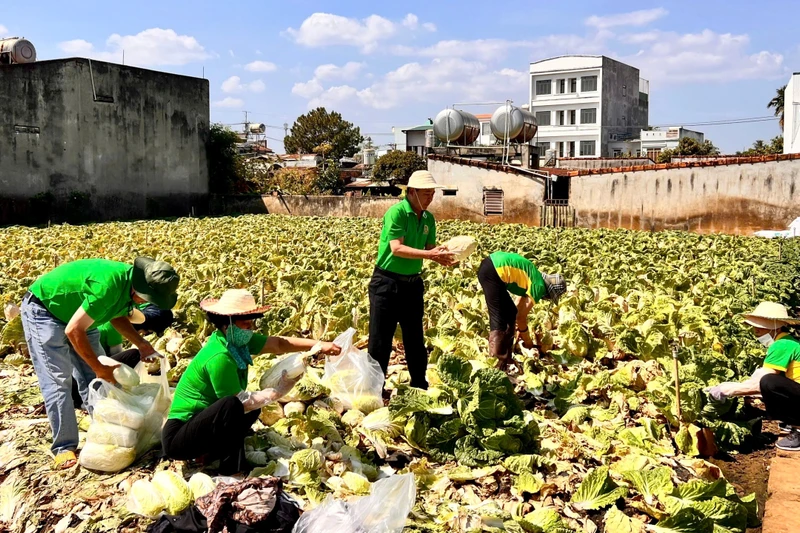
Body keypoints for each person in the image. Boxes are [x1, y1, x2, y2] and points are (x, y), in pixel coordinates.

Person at [20, 257, 180, 469]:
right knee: (58, 381)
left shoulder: (129, 288)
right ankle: (64, 447)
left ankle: (106, 433)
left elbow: (117, 316)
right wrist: (99, 367)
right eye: (145, 298)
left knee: (97, 379)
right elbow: (73, 330)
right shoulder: (108, 286)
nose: (144, 303)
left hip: (83, 315)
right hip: (45, 312)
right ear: (138, 288)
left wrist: (142, 344)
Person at [162, 289, 342, 475]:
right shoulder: (219, 356)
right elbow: (236, 402)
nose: (251, 328)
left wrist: (318, 345)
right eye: (246, 324)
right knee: (234, 405)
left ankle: (210, 452)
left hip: (199, 424)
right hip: (178, 438)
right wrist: (276, 392)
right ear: (228, 323)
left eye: (251, 323)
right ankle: (231, 469)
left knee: (252, 408)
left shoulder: (234, 341)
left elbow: (279, 344)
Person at [368, 170, 456, 390]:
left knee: (415, 339)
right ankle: (374, 390)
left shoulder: (428, 218)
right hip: (386, 283)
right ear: (412, 192)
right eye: (426, 193)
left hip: (412, 285)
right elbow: (396, 248)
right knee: (380, 341)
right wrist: (430, 255)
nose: (430, 198)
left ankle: (419, 385)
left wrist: (442, 254)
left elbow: (428, 246)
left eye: (432, 193)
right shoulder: (397, 213)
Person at [705, 302, 800, 451]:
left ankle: (798, 430)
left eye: (761, 326)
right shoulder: (786, 341)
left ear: (776, 326)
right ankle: (793, 421)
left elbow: (763, 383)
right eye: (755, 325)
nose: (756, 330)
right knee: (769, 383)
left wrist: (728, 390)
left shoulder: (782, 345)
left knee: (769, 383)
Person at [71, 304, 176, 408]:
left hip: (75, 376)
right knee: (133, 354)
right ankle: (94, 398)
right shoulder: (113, 328)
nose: (144, 334)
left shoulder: (110, 318)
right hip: (83, 382)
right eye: (148, 331)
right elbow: (115, 364)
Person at [477, 251, 566, 367]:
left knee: (510, 312)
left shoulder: (533, 277)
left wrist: (518, 330)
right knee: (498, 319)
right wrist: (528, 341)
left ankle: (506, 358)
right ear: (549, 292)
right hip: (493, 272)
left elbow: (517, 310)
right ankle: (496, 363)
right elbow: (521, 317)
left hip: (491, 266)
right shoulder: (538, 286)